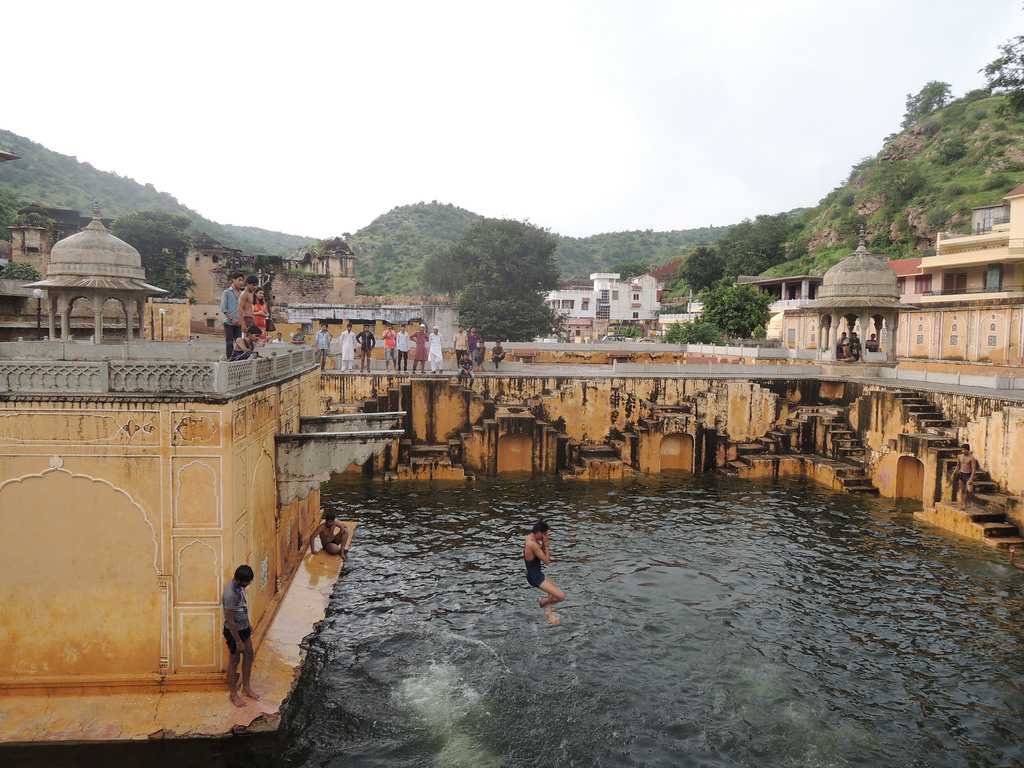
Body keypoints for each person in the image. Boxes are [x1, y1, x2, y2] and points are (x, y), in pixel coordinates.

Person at [223, 564, 259, 707]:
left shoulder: (240, 588)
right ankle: (233, 694)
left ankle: (246, 687)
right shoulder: (230, 594)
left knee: (249, 654)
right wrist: (237, 641)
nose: (249, 584)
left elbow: (242, 607)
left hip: (243, 628)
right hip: (234, 632)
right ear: (239, 580)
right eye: (247, 582)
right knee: (234, 661)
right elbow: (230, 620)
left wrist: (248, 623)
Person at [523, 520, 565, 626]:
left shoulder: (529, 537)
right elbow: (547, 562)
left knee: (553, 590)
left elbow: (537, 555)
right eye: (544, 534)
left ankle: (548, 613)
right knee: (560, 596)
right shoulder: (532, 544)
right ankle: (543, 602)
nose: (545, 536)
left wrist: (541, 543)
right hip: (535, 577)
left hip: (535, 573)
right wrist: (546, 545)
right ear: (538, 532)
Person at [220, 272, 245, 360]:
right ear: (233, 280)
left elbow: (243, 308)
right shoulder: (226, 292)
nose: (241, 282)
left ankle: (238, 359)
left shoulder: (242, 294)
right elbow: (223, 308)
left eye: (242, 280)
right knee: (229, 342)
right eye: (239, 280)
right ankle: (229, 359)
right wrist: (232, 319)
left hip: (239, 323)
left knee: (239, 341)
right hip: (229, 322)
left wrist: (241, 320)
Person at [954, 443, 979, 508]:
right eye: (962, 450)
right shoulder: (959, 456)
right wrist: (954, 473)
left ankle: (971, 501)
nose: (963, 451)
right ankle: (963, 504)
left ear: (968, 450)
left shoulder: (972, 458)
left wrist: (971, 478)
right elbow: (958, 466)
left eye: (964, 450)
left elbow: (974, 469)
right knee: (962, 490)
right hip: (961, 474)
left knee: (969, 490)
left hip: (968, 475)